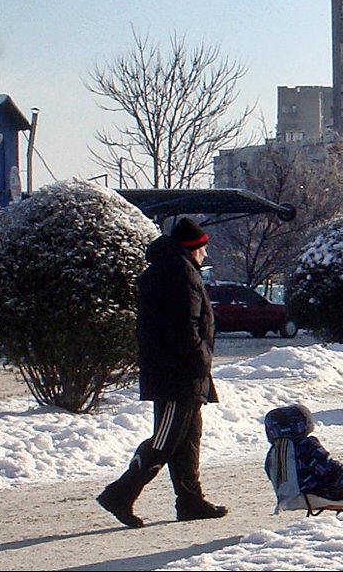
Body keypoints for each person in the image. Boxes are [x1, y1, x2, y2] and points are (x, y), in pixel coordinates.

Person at [97, 217, 228, 527]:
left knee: (187, 439)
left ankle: (190, 500)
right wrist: (200, 361)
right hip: (177, 376)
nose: (205, 255)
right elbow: (183, 328)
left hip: (183, 373)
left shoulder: (174, 269)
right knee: (167, 440)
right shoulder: (179, 273)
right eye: (203, 249)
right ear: (192, 248)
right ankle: (121, 493)